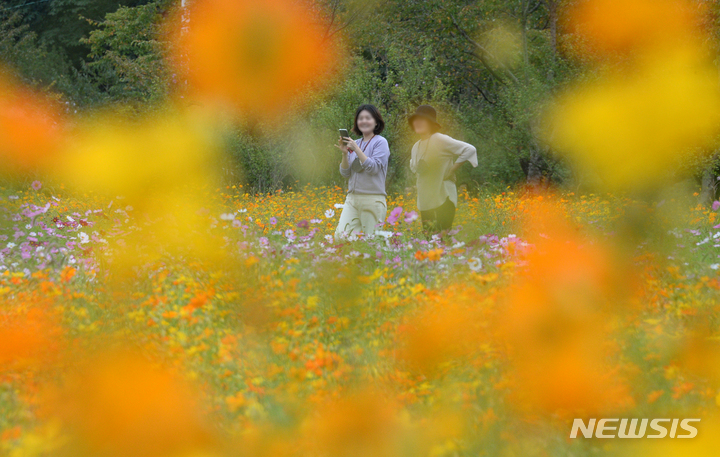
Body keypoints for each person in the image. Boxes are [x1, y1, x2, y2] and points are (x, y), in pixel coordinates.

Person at [408, 105, 478, 233]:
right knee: (429, 240)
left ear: (431, 123)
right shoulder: (415, 146)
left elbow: (469, 149)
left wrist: (451, 170)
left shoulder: (439, 139)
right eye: (416, 120)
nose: (418, 123)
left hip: (444, 197)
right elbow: (414, 167)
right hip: (425, 200)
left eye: (422, 120)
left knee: (442, 239)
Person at [334, 104, 390, 238]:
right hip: (352, 199)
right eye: (360, 118)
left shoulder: (380, 142)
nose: (364, 121)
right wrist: (344, 154)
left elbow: (373, 168)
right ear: (357, 122)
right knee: (341, 236)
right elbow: (345, 173)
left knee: (371, 240)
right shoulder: (356, 143)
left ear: (376, 122)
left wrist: (357, 150)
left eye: (368, 118)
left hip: (373, 199)